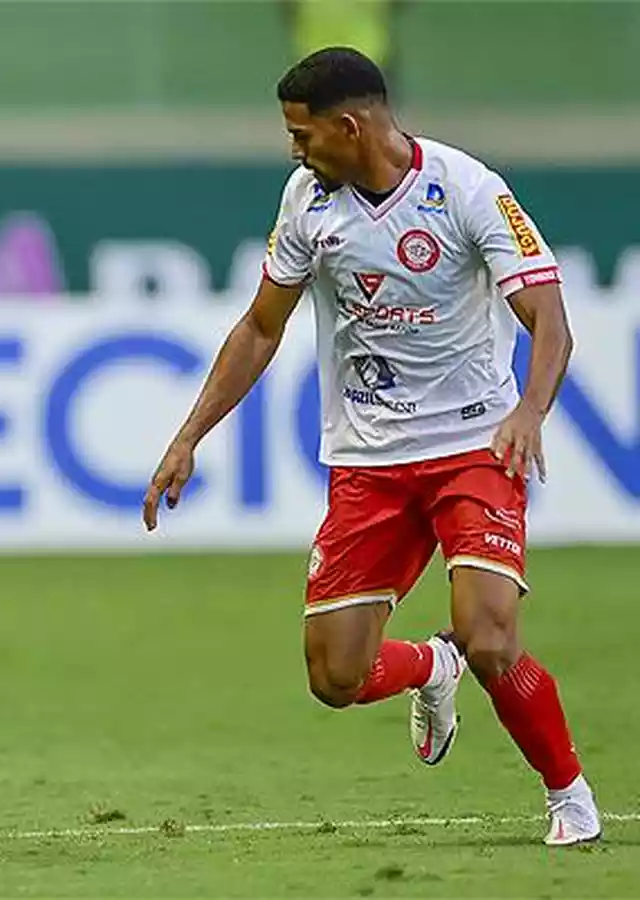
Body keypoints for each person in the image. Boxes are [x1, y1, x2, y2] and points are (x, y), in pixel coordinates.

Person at [143, 48, 599, 847]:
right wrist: (188, 437)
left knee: (492, 638)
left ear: (349, 127)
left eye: (302, 134)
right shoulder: (306, 202)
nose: (294, 151)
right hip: (369, 462)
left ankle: (568, 794)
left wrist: (530, 411)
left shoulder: (467, 190)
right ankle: (434, 667)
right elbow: (260, 328)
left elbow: (550, 318)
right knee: (335, 676)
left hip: (473, 447)